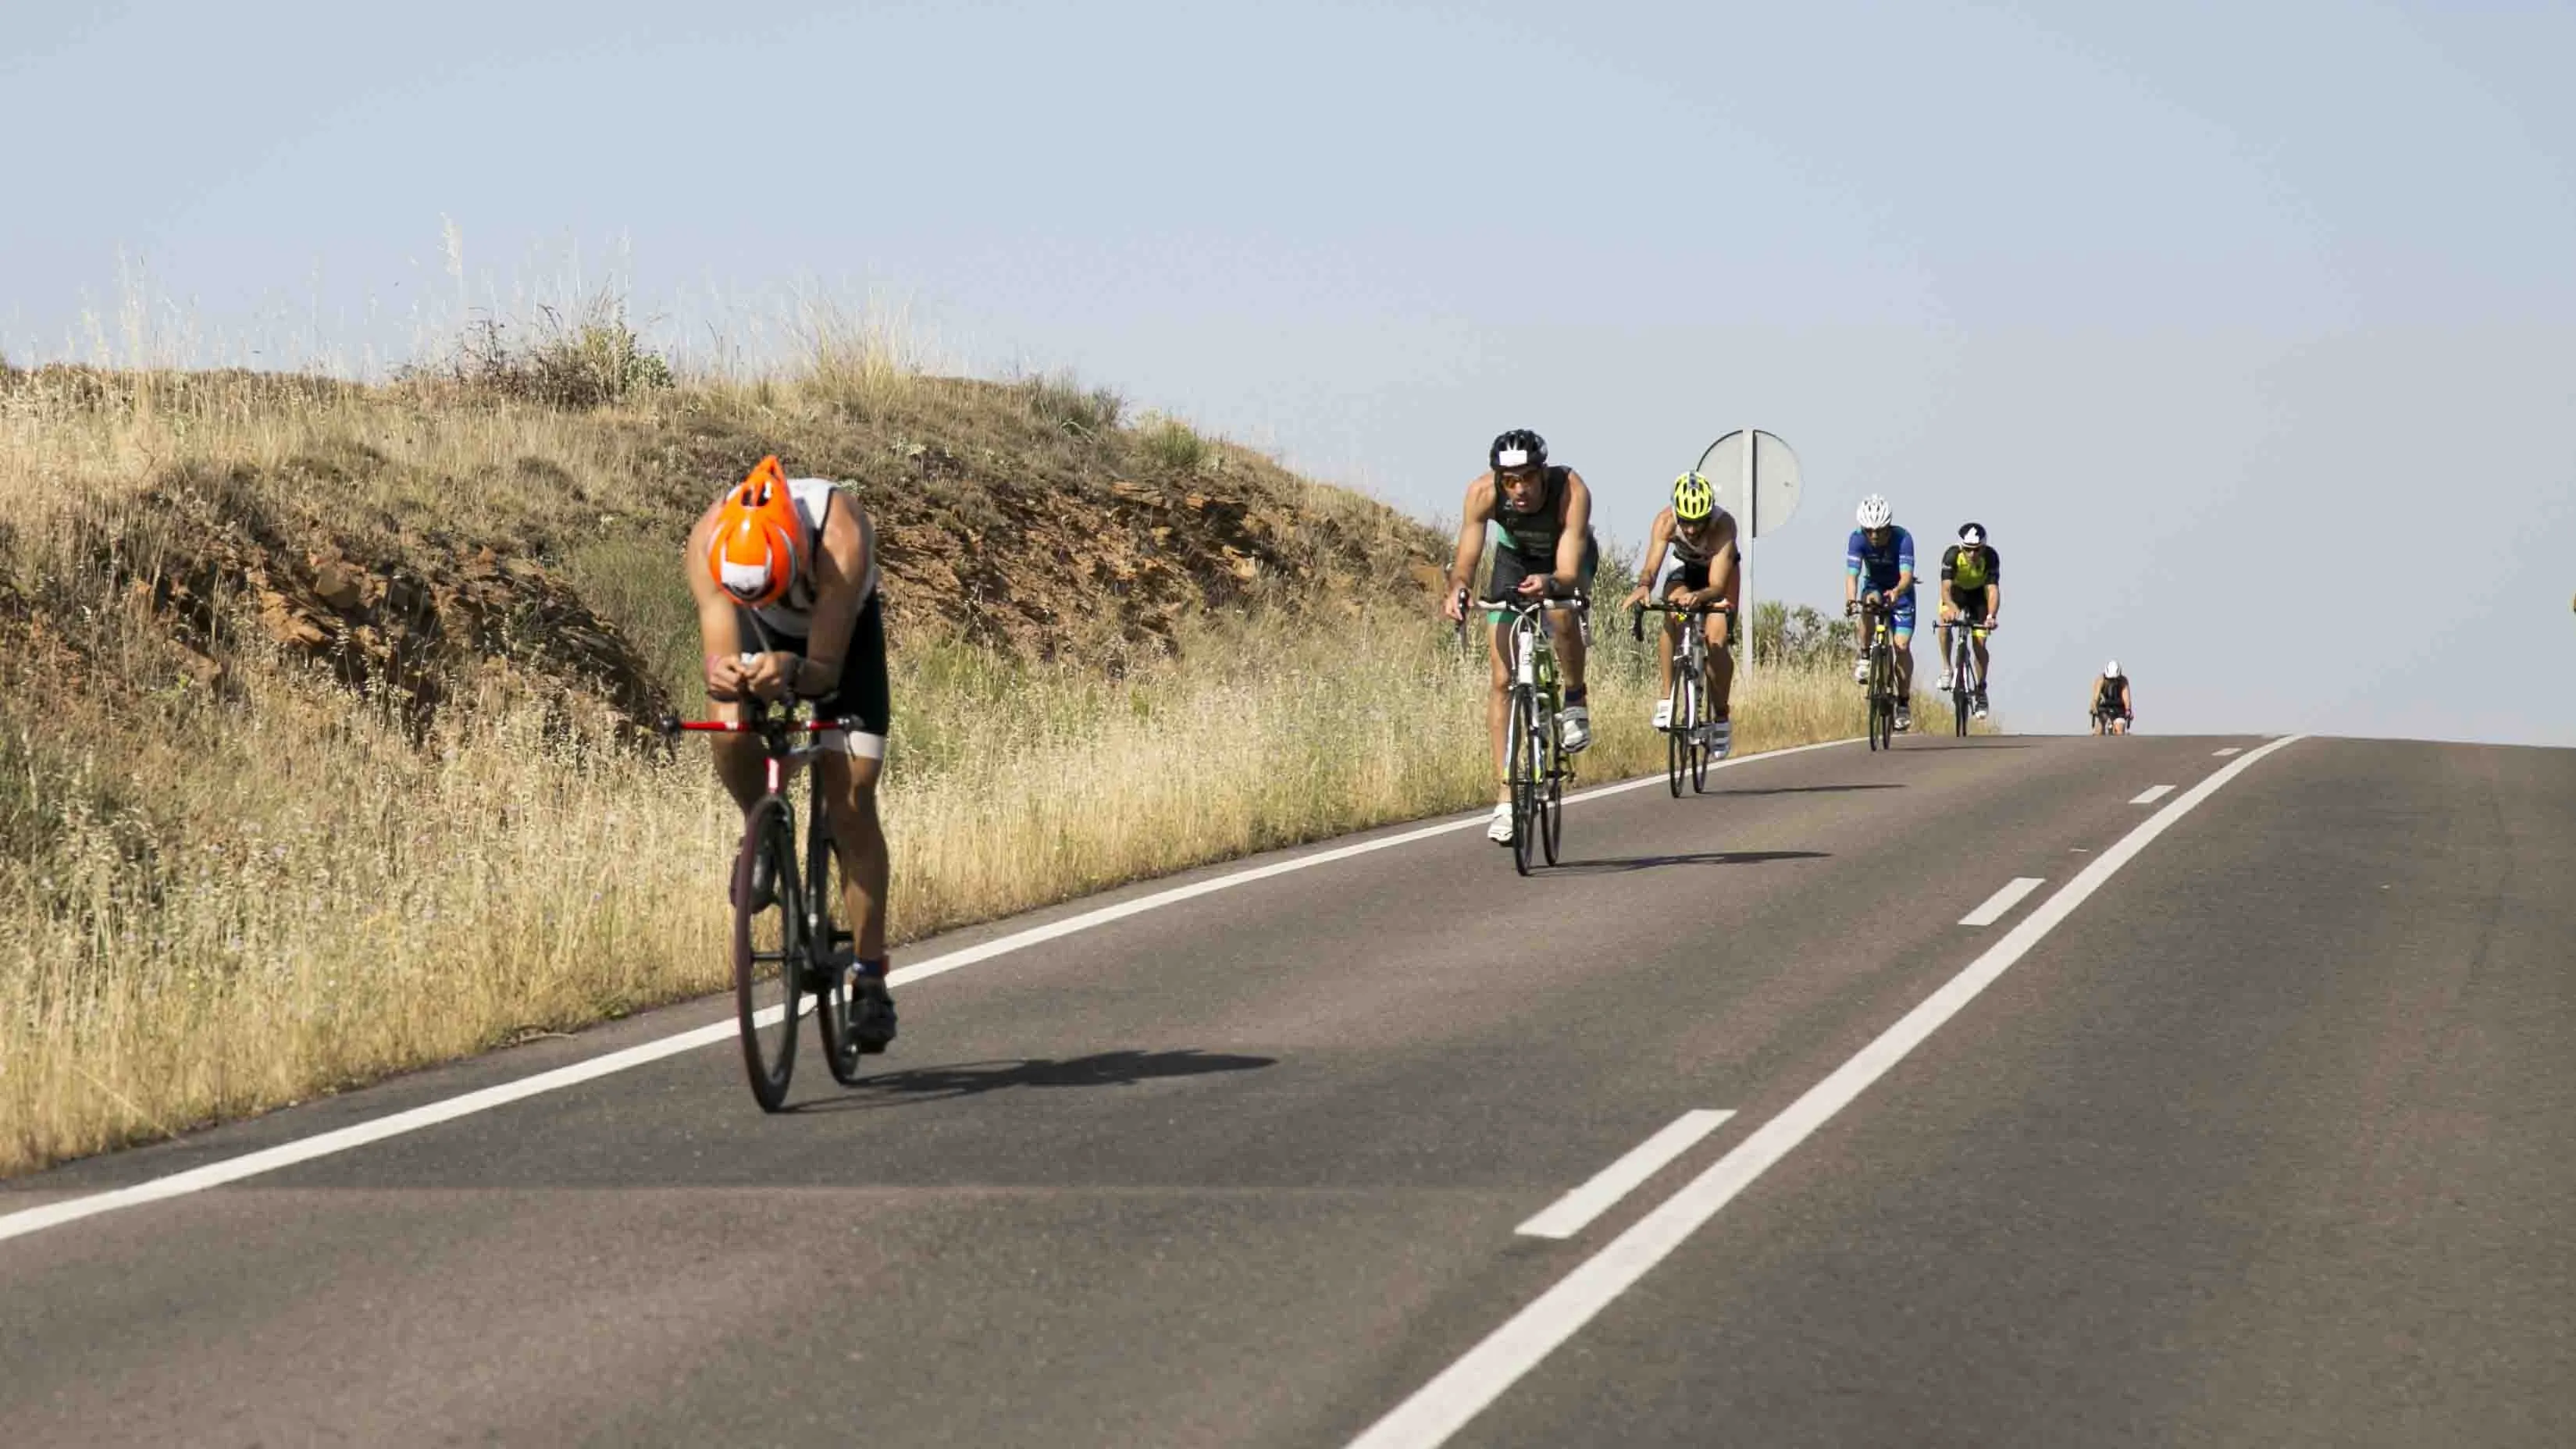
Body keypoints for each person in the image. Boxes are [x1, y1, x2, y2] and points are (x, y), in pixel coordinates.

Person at [685, 455, 897, 1051]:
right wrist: (725, 675)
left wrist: (795, 670)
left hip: (841, 640)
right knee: (729, 728)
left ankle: (871, 977)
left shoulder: (840, 535)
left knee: (850, 793)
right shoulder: (708, 542)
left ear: (796, 554)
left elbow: (825, 671)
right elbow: (717, 657)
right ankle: (761, 830)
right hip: (761, 630)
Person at [1441, 429, 1598, 845]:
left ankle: (1575, 697)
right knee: (1501, 680)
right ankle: (1507, 800)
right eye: (1510, 481)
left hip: (1566, 560)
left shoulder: (1570, 489)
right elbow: (1465, 563)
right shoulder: (1481, 494)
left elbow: (1566, 572)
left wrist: (1550, 582)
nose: (1520, 489)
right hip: (1515, 560)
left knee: (1562, 614)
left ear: (1542, 473)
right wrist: (1458, 589)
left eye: (1528, 478)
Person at [1622, 471, 1738, 758]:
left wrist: (1698, 597)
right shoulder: (1665, 521)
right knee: (1671, 610)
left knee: (1717, 640)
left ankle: (1721, 716)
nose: (1690, 530)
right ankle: (1667, 696)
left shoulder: (1724, 526)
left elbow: (1717, 586)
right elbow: (1652, 566)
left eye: (1697, 523)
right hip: (1684, 568)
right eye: (1685, 522)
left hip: (1718, 575)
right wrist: (1644, 586)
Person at [1844, 494, 1916, 732]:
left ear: (1889, 527)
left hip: (1901, 592)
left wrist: (1897, 591)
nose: (1874, 536)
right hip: (1874, 586)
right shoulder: (1856, 540)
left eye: (1880, 531)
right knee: (1866, 604)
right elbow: (1852, 574)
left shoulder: (1903, 538)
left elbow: (1906, 576)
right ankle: (1865, 656)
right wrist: (1850, 600)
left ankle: (1903, 702)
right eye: (1869, 531)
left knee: (1902, 646)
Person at [1936, 521, 2002, 718]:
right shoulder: (1952, 555)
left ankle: (1981, 691)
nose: (1973, 554)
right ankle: (1947, 668)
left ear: (1984, 547)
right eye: (1968, 549)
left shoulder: (1990, 557)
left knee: (1979, 644)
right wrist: (1952, 609)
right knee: (1943, 624)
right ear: (1961, 546)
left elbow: (1992, 591)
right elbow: (1945, 590)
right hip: (1955, 595)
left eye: (1977, 549)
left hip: (1978, 598)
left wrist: (1991, 616)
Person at [2091, 661, 2134, 735]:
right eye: (2110, 680)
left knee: (2119, 729)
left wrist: (2128, 710)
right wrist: (2094, 707)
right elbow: (2095, 697)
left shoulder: (2123, 681)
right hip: (2104, 706)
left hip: (2119, 707)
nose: (2112, 682)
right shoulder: (2100, 680)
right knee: (2099, 729)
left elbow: (2126, 698)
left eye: (2115, 680)